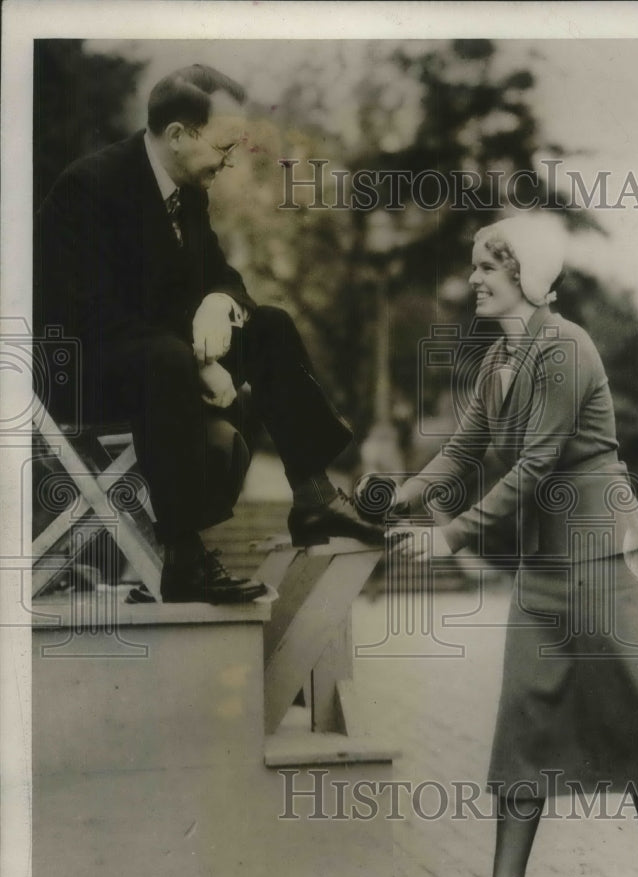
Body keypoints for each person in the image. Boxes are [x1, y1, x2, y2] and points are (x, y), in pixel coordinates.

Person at [386, 214, 638, 877]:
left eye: (489, 267)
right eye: (475, 266)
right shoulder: (500, 356)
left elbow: (533, 464)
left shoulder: (564, 347)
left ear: (526, 274)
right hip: (545, 565)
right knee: (522, 729)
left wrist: (450, 535)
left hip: (605, 558)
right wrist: (389, 499)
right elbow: (463, 449)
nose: (474, 280)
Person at [34, 64, 383, 604]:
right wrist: (199, 363)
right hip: (79, 373)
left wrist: (220, 303)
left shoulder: (187, 194)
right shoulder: (91, 185)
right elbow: (90, 314)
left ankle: (314, 496)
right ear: (178, 134)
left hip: (156, 361)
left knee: (269, 325)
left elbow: (223, 275)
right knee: (167, 360)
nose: (231, 159)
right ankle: (185, 558)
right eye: (224, 145)